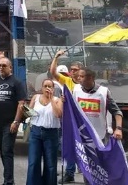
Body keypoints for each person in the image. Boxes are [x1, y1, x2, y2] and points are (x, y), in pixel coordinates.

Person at [0, 57, 27, 185]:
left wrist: (16, 122)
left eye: (4, 66)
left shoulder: (17, 82)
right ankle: (7, 178)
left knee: (7, 151)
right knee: (2, 151)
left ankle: (9, 181)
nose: (1, 68)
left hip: (10, 123)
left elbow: (21, 103)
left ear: (10, 67)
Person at [49, 51, 83, 184]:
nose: (73, 72)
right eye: (72, 70)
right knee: (68, 145)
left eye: (76, 70)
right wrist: (56, 57)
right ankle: (70, 173)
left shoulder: (84, 84)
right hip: (69, 119)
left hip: (82, 119)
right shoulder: (67, 81)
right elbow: (53, 72)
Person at [26, 79, 63, 185]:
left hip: (51, 133)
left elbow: (58, 114)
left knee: (50, 164)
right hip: (36, 132)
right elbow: (30, 114)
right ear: (41, 88)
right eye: (45, 86)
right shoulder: (36, 97)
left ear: (53, 88)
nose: (47, 88)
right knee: (33, 162)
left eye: (50, 86)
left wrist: (51, 99)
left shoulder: (57, 100)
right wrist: (25, 109)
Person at [72, 68, 123, 144]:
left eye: (81, 76)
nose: (78, 78)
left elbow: (117, 112)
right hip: (81, 135)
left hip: (99, 136)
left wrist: (118, 129)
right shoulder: (76, 90)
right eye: (78, 76)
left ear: (90, 78)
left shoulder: (103, 92)